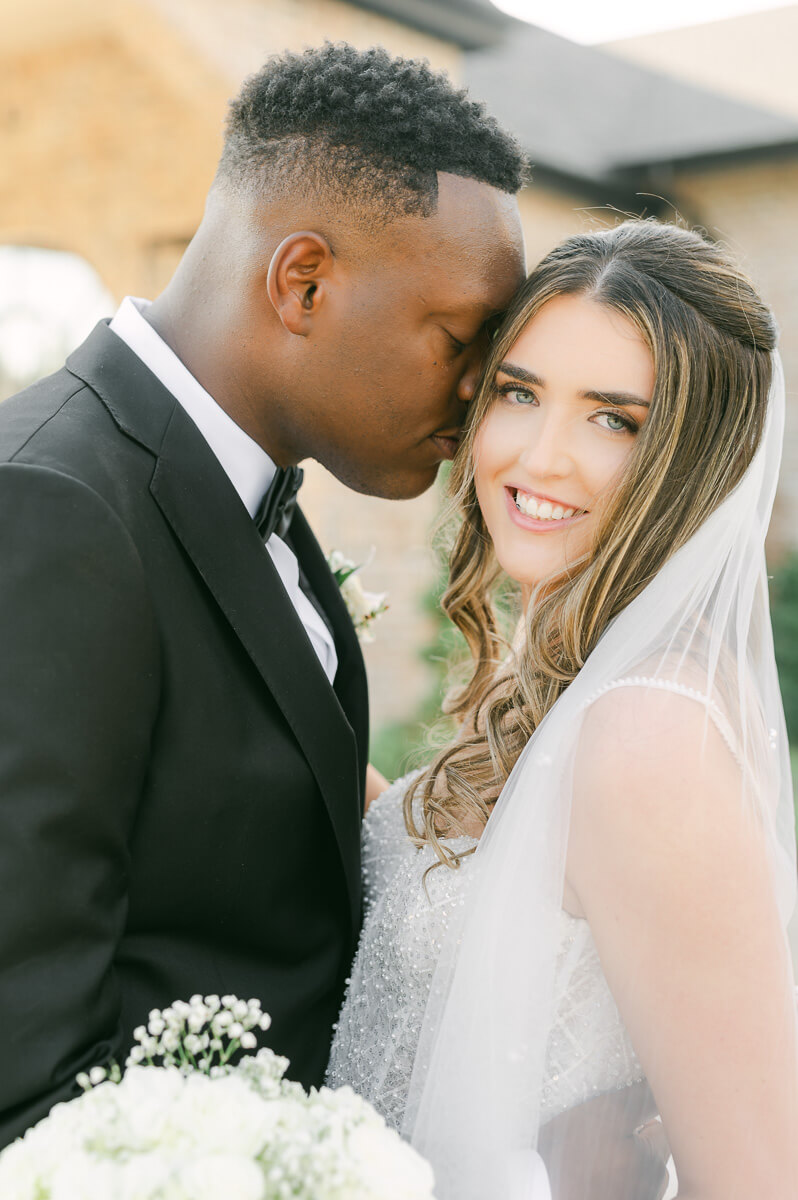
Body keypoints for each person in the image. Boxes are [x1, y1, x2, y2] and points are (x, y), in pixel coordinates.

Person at [0, 43, 527, 1147]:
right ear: (304, 282)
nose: (482, 392)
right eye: (462, 338)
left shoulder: (252, 496)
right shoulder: (48, 507)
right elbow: (23, 1057)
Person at [326, 220, 798, 1199]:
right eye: (520, 393)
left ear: (694, 460)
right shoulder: (562, 692)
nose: (540, 458)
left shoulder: (649, 733)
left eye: (613, 419)